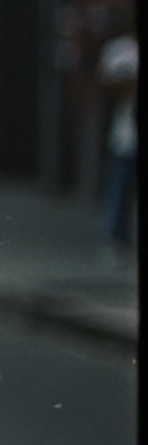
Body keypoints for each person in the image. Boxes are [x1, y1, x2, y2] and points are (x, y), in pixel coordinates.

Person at [96, 14, 136, 264]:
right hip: (127, 133)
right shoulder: (121, 49)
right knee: (120, 186)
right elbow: (107, 83)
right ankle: (115, 238)